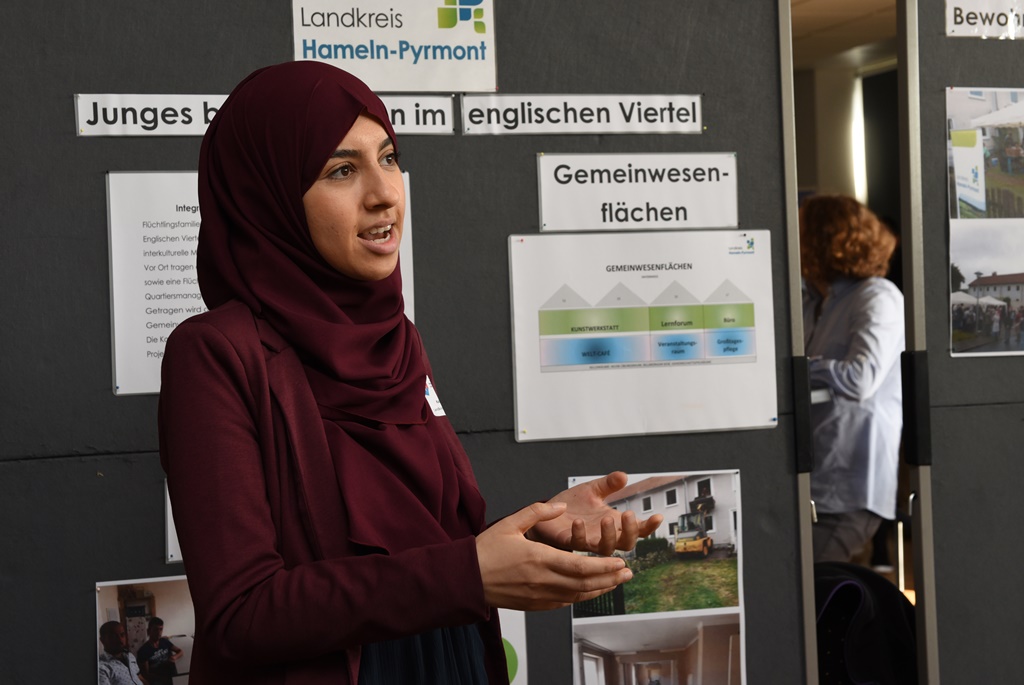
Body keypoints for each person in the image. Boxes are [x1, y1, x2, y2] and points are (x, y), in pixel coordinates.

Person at [158, 61, 661, 685]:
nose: (385, 193)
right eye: (341, 170)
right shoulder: (216, 353)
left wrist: (538, 530)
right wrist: (470, 575)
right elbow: (241, 614)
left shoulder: (396, 339)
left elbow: (417, 550)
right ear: (270, 198)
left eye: (389, 158)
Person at [800, 195, 903, 564]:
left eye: (802, 237)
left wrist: (800, 368)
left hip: (849, 485)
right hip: (819, 478)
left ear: (823, 242)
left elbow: (861, 378)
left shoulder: (877, 296)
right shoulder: (824, 302)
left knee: (816, 588)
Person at [135, 617, 183, 685]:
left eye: (161, 629)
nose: (159, 632)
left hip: (170, 675)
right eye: (155, 629)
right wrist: (163, 678)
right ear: (149, 631)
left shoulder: (164, 641)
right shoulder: (143, 651)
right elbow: (146, 675)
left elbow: (180, 651)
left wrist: (174, 657)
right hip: (157, 680)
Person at [98, 621, 147, 685]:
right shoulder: (101, 667)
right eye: (113, 636)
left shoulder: (130, 656)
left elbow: (140, 677)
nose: (120, 640)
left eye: (122, 635)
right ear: (102, 640)